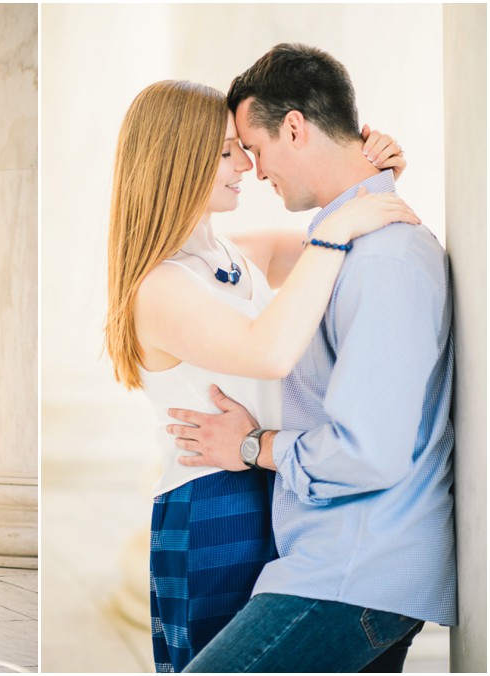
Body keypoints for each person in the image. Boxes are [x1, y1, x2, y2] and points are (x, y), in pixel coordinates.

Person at [105, 79, 415, 672]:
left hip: (271, 478)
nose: (247, 162)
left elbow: (361, 244)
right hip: (212, 503)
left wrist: (374, 172)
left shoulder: (234, 253)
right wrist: (339, 227)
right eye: (226, 151)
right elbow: (268, 350)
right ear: (179, 161)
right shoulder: (158, 286)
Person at [166, 43, 456, 673]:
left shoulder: (383, 256)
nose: (251, 167)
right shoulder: (345, 241)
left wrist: (250, 447)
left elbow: (365, 451)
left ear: (294, 126)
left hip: (350, 571)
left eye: (253, 147)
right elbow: (201, 256)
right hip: (336, 564)